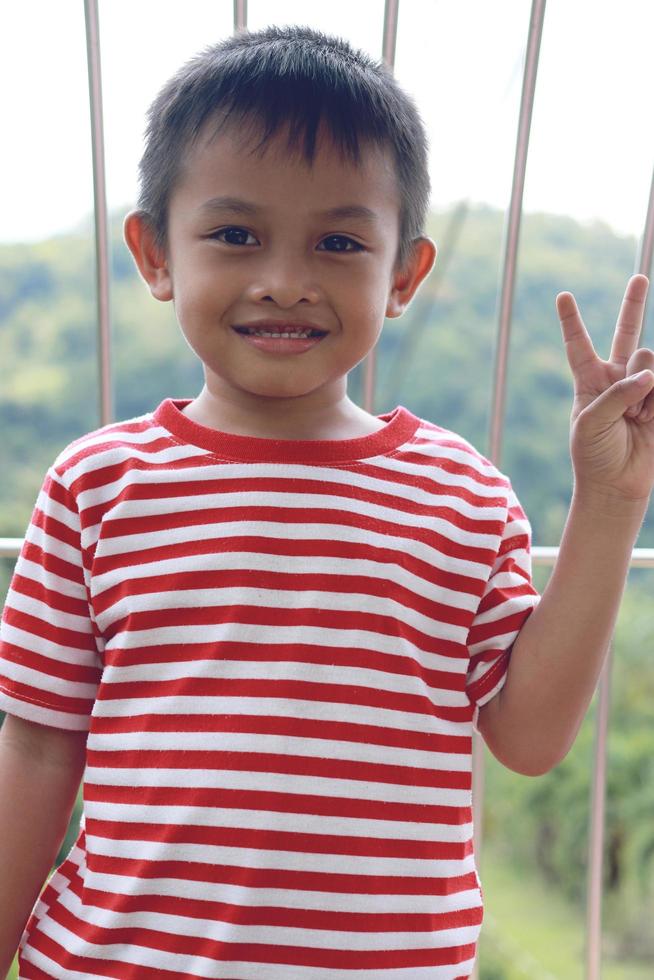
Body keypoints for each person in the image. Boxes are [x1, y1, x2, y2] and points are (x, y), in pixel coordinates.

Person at [0, 23, 652, 980]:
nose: (285, 281)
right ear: (154, 253)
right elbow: (39, 753)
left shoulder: (462, 495)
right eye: (235, 234)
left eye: (340, 241)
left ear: (404, 275)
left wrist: (606, 502)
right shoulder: (97, 485)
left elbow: (530, 736)